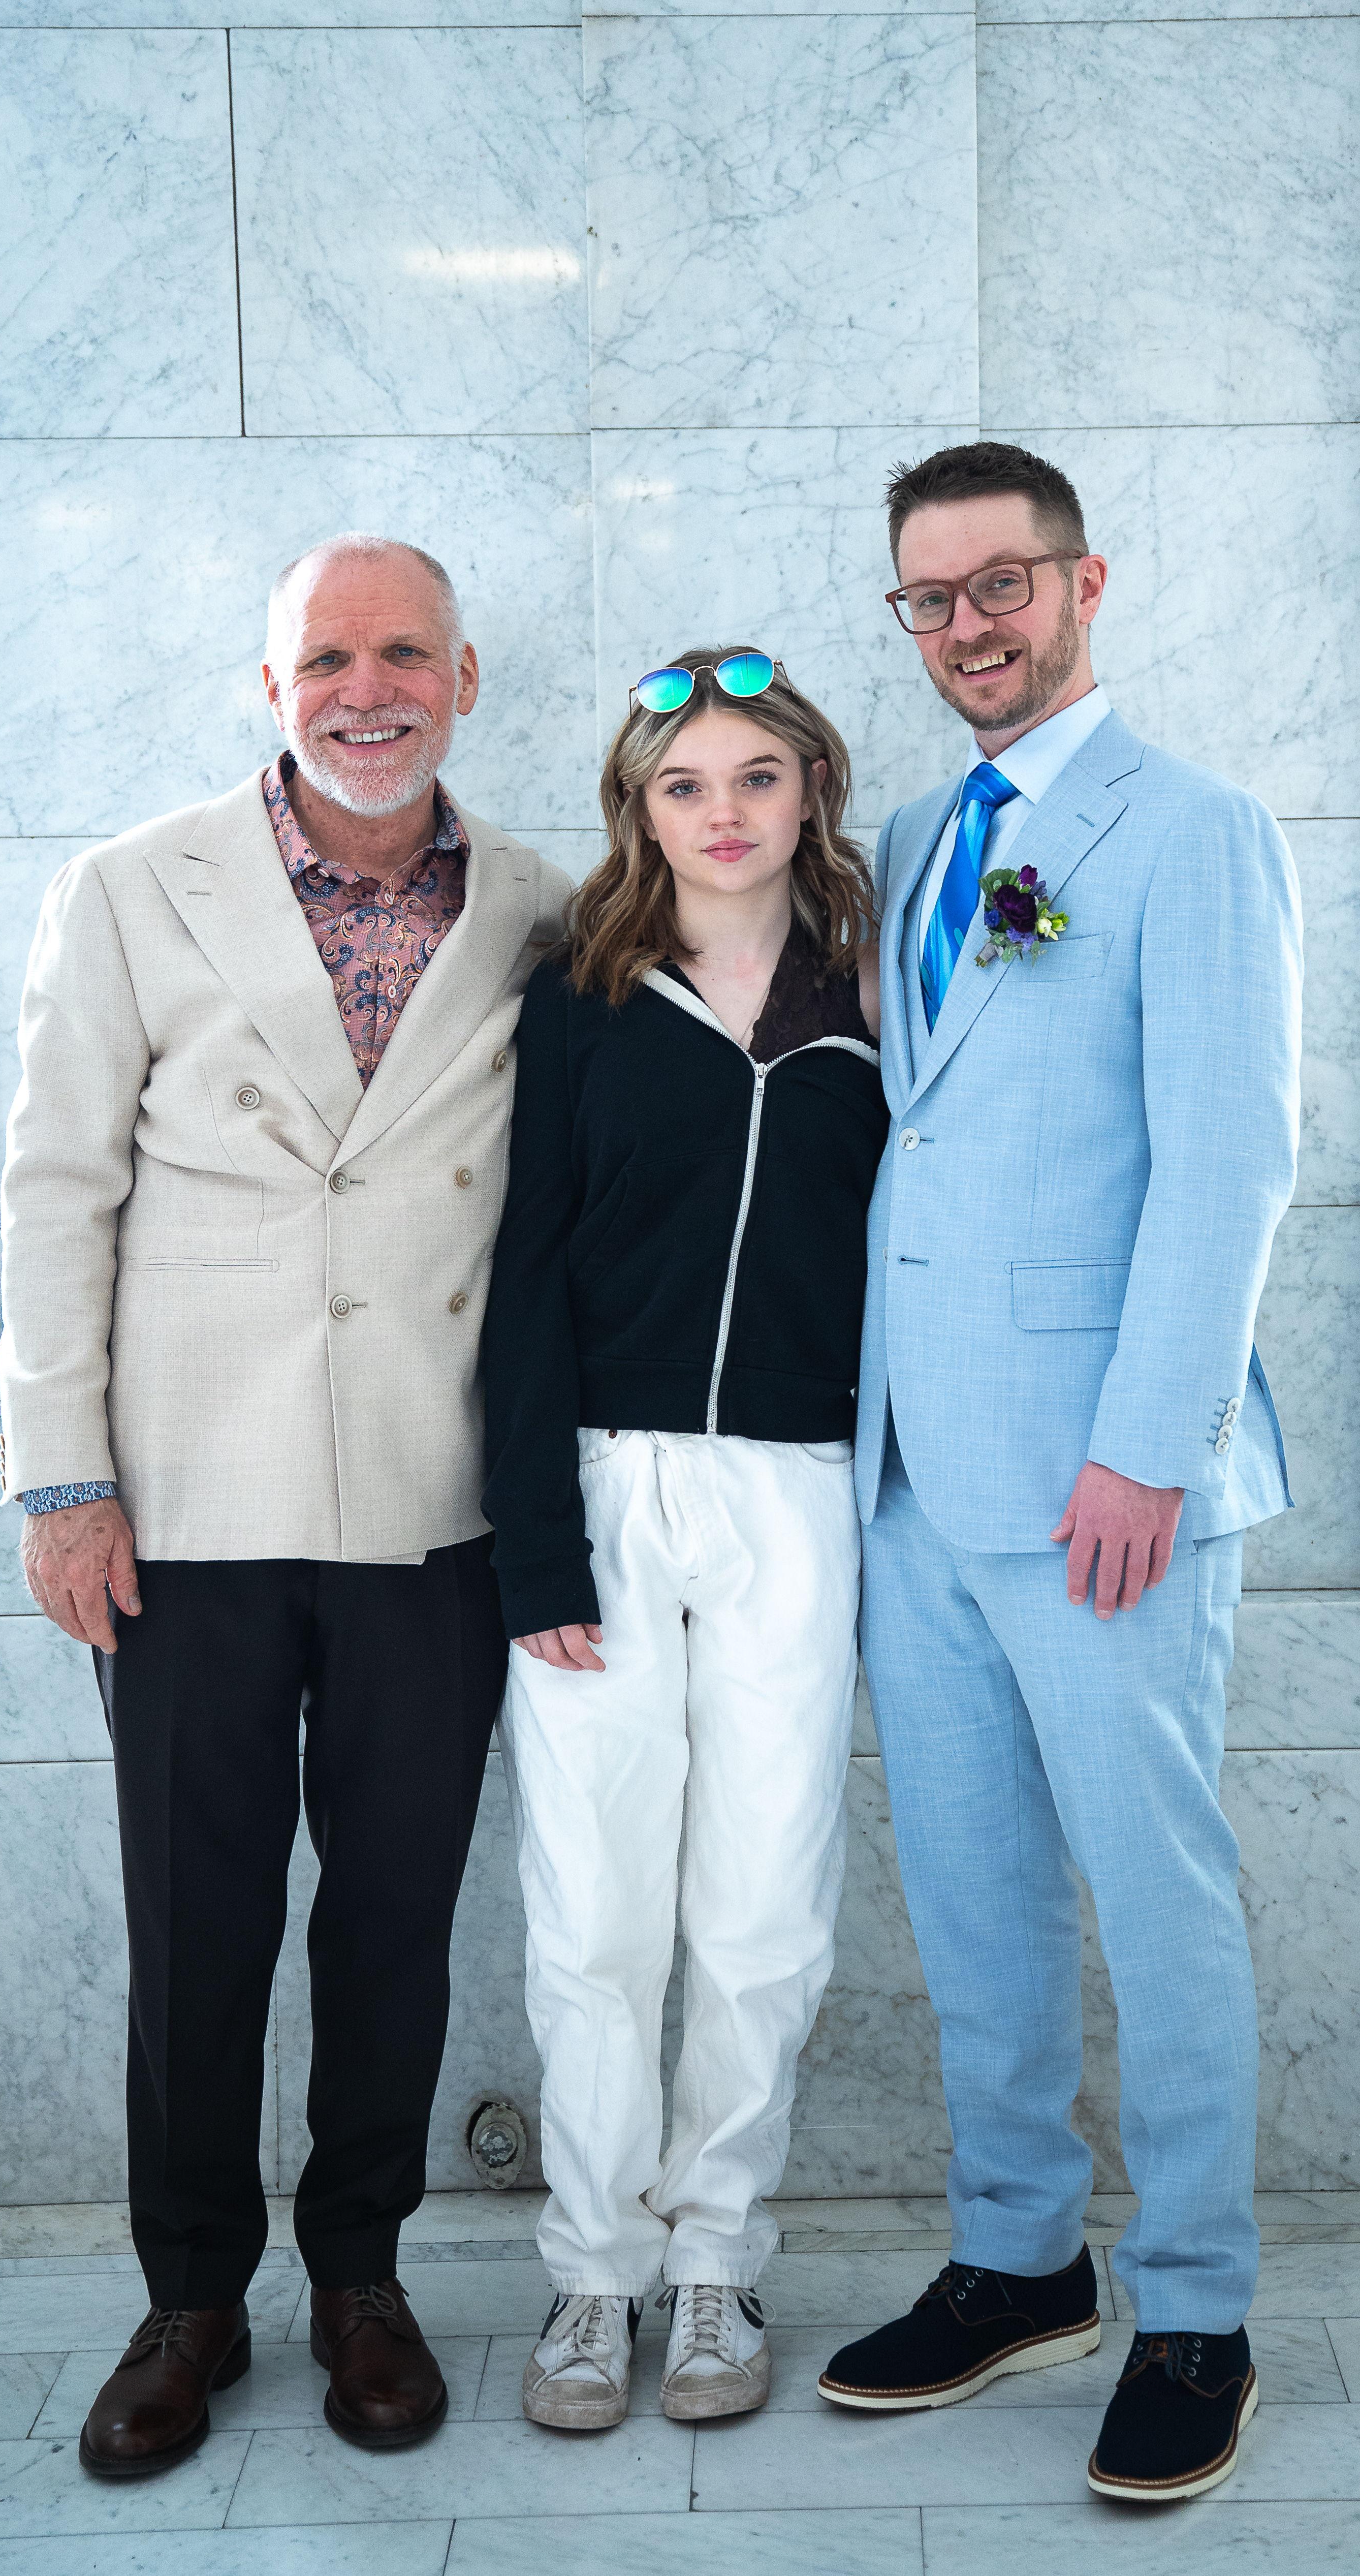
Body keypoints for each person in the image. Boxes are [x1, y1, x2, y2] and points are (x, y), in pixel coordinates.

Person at [0, 535, 571, 2475]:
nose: (367, 687)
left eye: (405, 651)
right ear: (275, 687)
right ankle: (188, 2300)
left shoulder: (550, 912)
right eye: (328, 657)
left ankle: (362, 2279)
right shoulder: (128, 890)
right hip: (183, 1503)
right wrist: (62, 1479)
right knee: (198, 1922)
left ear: (468, 677)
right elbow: (56, 1193)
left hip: (433, 1505)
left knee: (395, 1919)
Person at [813, 444, 1303, 2506]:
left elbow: (1230, 1157)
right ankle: (1021, 2255)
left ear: (1081, 580)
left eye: (997, 584)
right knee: (971, 1887)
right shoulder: (915, 833)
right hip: (913, 1471)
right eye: (926, 600)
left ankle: (1195, 2303)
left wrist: (1143, 1447)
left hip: (1106, 1483)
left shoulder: (1188, 829)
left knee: (1152, 1888)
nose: (964, 628)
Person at [481, 648, 887, 2429]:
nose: (722, 814)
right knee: (594, 1910)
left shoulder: (882, 984)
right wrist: (536, 1551)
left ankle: (716, 2260)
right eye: (682, 785)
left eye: (754, 777)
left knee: (763, 1906)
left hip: (800, 1487)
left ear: (810, 785)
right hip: (604, 1482)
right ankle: (593, 2276)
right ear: (639, 809)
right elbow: (522, 1274)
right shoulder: (578, 987)